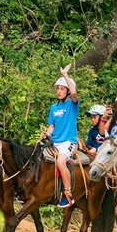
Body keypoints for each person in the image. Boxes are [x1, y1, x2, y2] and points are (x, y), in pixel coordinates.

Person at [40, 64, 79, 208]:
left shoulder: (72, 105)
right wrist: (46, 134)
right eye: (58, 88)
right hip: (54, 141)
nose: (59, 91)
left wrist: (65, 75)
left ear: (68, 91)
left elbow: (75, 93)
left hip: (67, 142)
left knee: (61, 163)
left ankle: (68, 194)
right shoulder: (53, 107)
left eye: (62, 89)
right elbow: (52, 126)